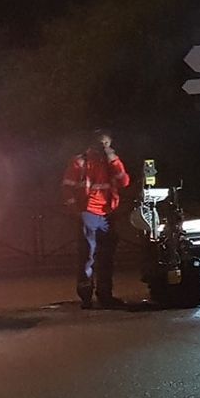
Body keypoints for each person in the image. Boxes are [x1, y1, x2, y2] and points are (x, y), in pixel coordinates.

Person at [63, 130, 131, 308]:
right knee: (88, 255)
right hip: (89, 213)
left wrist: (113, 159)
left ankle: (105, 294)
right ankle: (86, 295)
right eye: (102, 144)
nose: (104, 147)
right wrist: (75, 210)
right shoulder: (80, 162)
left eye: (107, 144)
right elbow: (67, 188)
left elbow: (124, 181)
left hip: (108, 213)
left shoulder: (111, 162)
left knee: (106, 255)